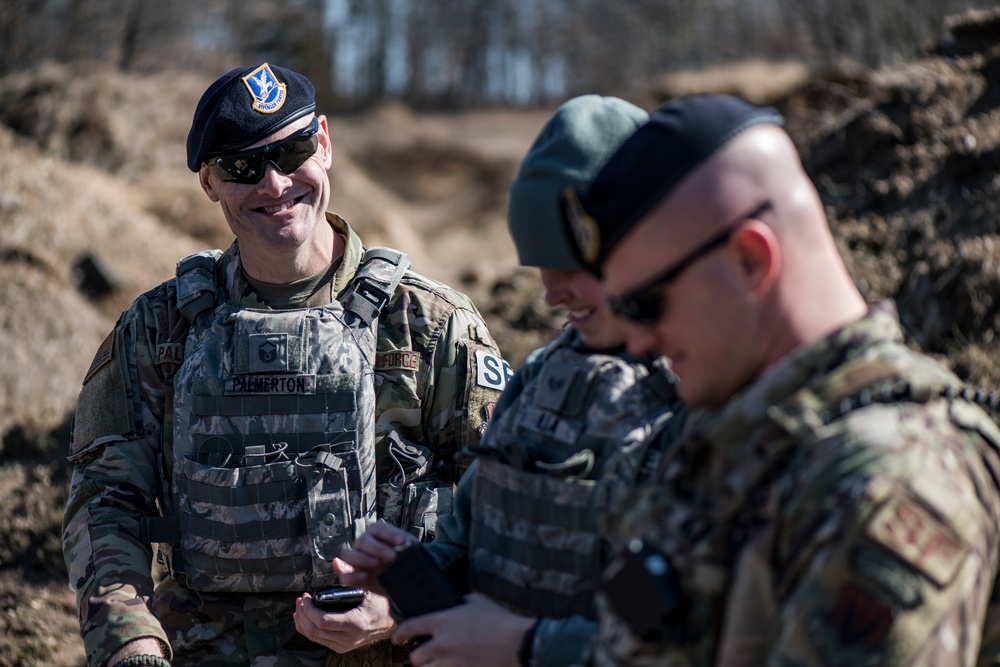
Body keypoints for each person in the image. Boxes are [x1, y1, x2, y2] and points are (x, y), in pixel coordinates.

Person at [61, 62, 510, 667]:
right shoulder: (156, 330)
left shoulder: (430, 325)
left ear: (324, 142)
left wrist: (403, 605)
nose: (274, 185)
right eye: (242, 167)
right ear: (209, 183)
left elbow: (505, 509)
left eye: (292, 151)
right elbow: (104, 502)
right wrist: (131, 641)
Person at [559, 93, 1000, 666]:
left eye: (647, 304)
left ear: (750, 259)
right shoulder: (747, 437)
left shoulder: (888, 480)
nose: (638, 341)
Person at [336, 95, 687, 667]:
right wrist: (411, 573)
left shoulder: (703, 399)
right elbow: (471, 545)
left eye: (571, 266)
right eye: (540, 266)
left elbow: (701, 639)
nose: (552, 293)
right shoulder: (543, 377)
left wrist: (527, 646)